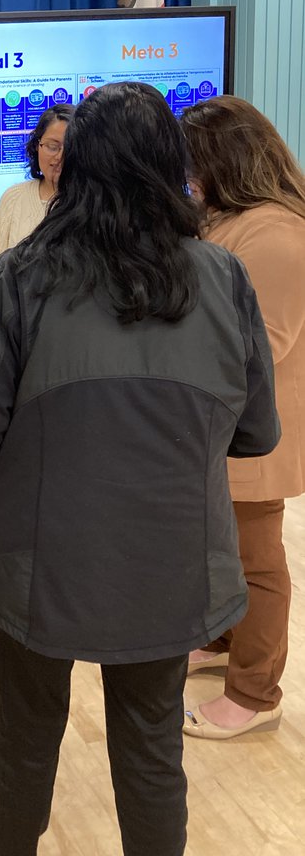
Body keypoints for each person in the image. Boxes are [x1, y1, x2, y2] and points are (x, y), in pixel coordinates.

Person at [0, 81, 279, 856]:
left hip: (37, 562)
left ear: (76, 164)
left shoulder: (18, 277)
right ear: (173, 165)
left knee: (26, 740)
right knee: (153, 749)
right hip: (171, 560)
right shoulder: (223, 278)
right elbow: (255, 431)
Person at [181, 95, 305, 739]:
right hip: (220, 425)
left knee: (257, 560)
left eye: (195, 164)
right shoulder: (233, 218)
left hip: (256, 432)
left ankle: (256, 693)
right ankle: (226, 639)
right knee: (224, 547)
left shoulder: (278, 231)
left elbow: (266, 341)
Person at [0, 103, 74, 261]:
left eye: (68, 148)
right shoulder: (14, 197)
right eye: (52, 146)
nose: (59, 157)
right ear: (37, 146)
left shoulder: (92, 201)